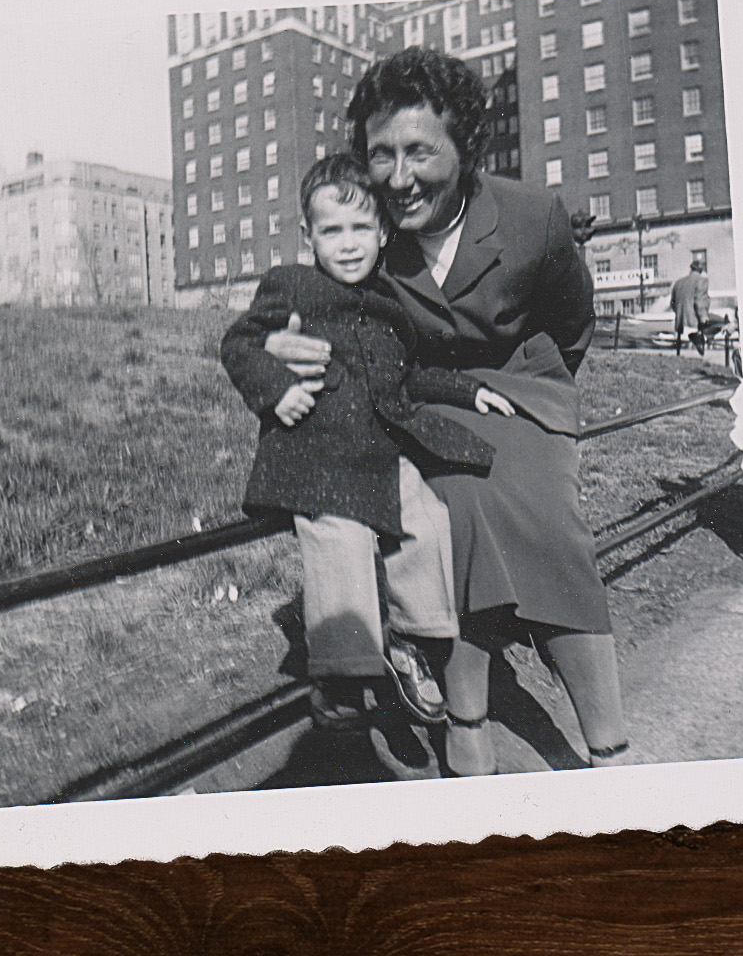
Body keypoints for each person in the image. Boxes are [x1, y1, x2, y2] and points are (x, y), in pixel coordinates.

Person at [265, 48, 634, 774]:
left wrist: (540, 402)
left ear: (466, 149)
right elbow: (328, 316)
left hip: (522, 388)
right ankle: (469, 716)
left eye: (419, 153)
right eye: (381, 155)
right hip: (420, 397)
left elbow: (572, 322)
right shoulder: (369, 234)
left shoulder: (532, 219)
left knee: (541, 514)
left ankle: (605, 735)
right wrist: (284, 345)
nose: (399, 178)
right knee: (455, 504)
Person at [220, 154, 514, 731]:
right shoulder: (292, 285)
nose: (348, 244)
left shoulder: (389, 303)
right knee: (342, 536)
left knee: (426, 520)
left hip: (379, 449)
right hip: (316, 451)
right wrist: (276, 389)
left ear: (383, 232)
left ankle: (410, 639)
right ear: (309, 237)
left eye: (360, 229)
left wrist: (467, 391)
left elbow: (407, 375)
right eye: (332, 231)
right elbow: (240, 344)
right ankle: (342, 675)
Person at [668, 259, 723, 357]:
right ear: (701, 269)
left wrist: (680, 314)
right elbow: (700, 301)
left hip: (680, 320)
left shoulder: (678, 282)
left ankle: (702, 337)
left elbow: (672, 303)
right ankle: (700, 337)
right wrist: (703, 319)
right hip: (695, 319)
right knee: (722, 321)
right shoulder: (702, 280)